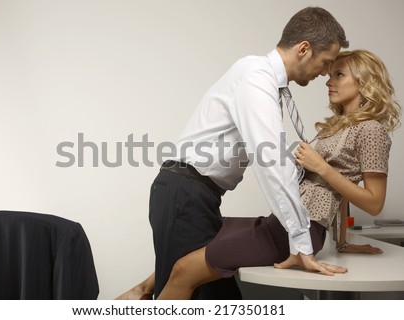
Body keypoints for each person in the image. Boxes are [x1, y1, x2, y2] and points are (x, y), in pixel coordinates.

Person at [117, 49, 401, 299]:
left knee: (183, 270)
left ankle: (144, 293)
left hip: (302, 229)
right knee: (195, 231)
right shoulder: (339, 127)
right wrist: (342, 242)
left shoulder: (372, 130)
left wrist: (321, 166)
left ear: (364, 81)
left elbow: (373, 201)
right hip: (284, 222)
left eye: (339, 75)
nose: (328, 80)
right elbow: (338, 191)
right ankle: (143, 289)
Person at [148, 7, 349, 299]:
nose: (324, 73)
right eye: (325, 62)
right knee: (195, 295)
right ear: (304, 49)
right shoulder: (256, 77)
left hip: (196, 195)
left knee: (216, 297)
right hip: (185, 194)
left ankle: (139, 291)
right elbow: (271, 162)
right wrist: (301, 241)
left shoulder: (261, 77)